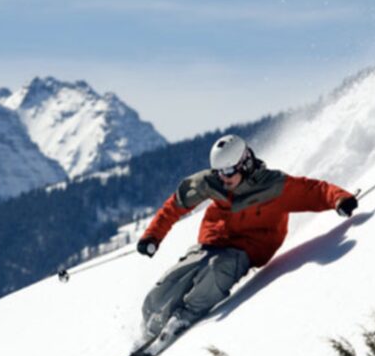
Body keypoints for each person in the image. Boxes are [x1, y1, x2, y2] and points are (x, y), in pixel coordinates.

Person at [137, 134, 358, 340]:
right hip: (213, 241)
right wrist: (152, 237)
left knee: (215, 271)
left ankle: (183, 318)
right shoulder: (212, 181)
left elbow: (315, 191)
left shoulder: (274, 186)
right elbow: (176, 204)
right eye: (219, 172)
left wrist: (340, 199)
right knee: (167, 285)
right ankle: (148, 333)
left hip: (247, 249)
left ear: (245, 163)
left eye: (229, 171)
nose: (224, 178)